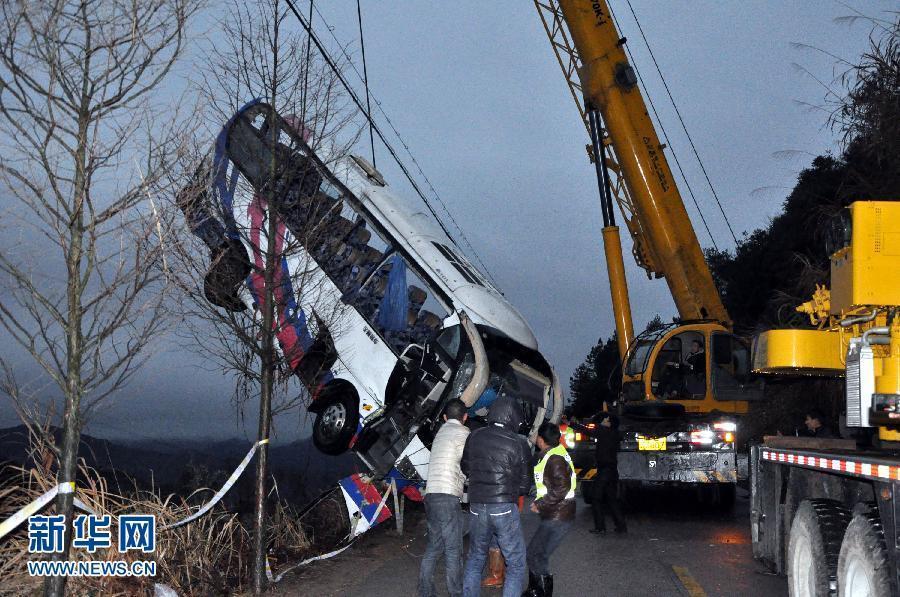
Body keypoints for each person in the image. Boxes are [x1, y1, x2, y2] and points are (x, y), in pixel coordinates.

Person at [461, 394, 533, 597]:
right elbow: (525, 484)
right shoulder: (519, 442)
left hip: (476, 505)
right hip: (503, 506)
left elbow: (465, 467)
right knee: (516, 563)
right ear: (512, 417)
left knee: (475, 558)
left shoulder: (474, 435)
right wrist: (508, 490)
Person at [418, 398, 470, 597]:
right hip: (447, 496)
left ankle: (425, 592)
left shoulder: (440, 433)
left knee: (434, 546)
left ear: (445, 417)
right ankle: (456, 593)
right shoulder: (464, 433)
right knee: (453, 550)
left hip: (431, 495)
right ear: (465, 417)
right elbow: (467, 462)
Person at [523, 423, 576, 597]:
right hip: (557, 513)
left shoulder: (555, 458)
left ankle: (538, 591)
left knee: (534, 553)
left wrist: (540, 504)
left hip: (558, 515)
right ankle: (537, 590)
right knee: (539, 554)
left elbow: (561, 487)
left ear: (540, 439)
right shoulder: (554, 454)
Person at [588, 412, 626, 534]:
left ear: (609, 424)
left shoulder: (604, 432)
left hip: (604, 469)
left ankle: (600, 527)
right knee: (612, 499)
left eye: (605, 420)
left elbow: (588, 430)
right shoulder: (614, 434)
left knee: (596, 497)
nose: (603, 421)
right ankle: (621, 526)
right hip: (612, 470)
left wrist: (571, 423)